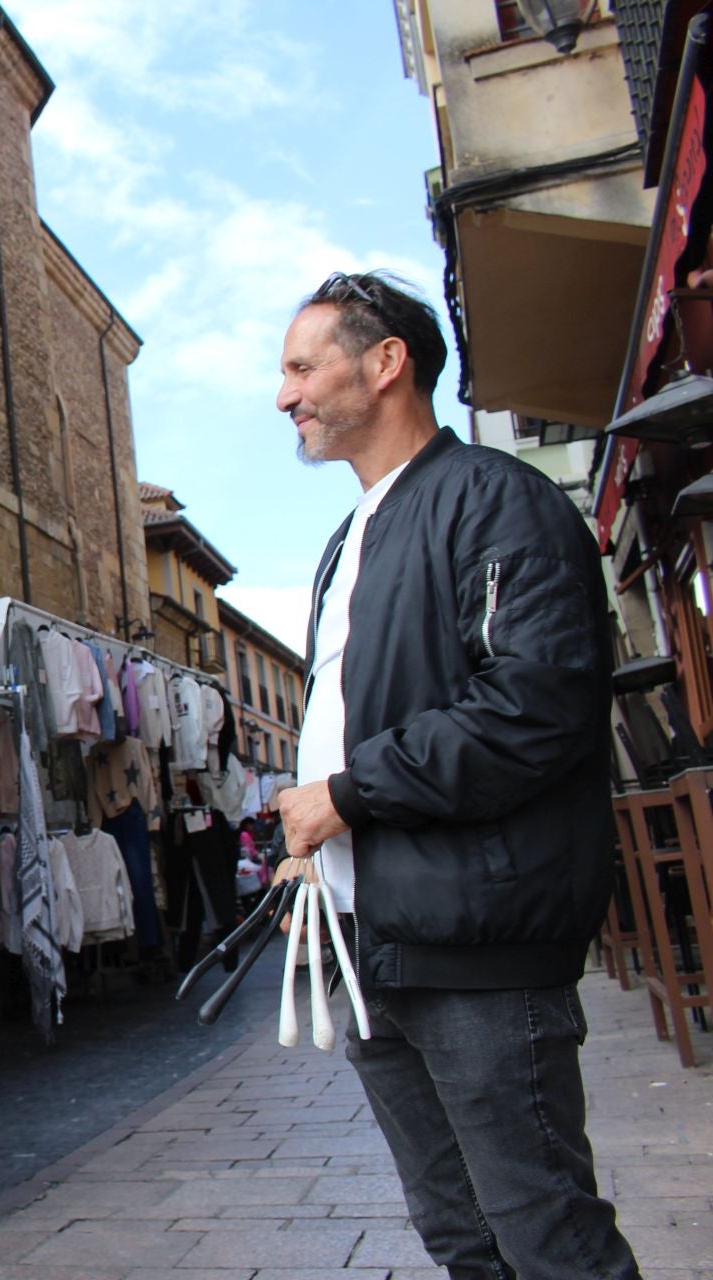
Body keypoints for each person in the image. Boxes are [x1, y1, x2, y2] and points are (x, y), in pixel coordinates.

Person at [271, 270, 638, 1279]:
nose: (283, 394)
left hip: (477, 942)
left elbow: (535, 710)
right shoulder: (348, 539)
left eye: (304, 365)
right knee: (463, 1238)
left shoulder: (498, 502)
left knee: (546, 1233)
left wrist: (346, 793)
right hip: (372, 941)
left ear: (386, 361)